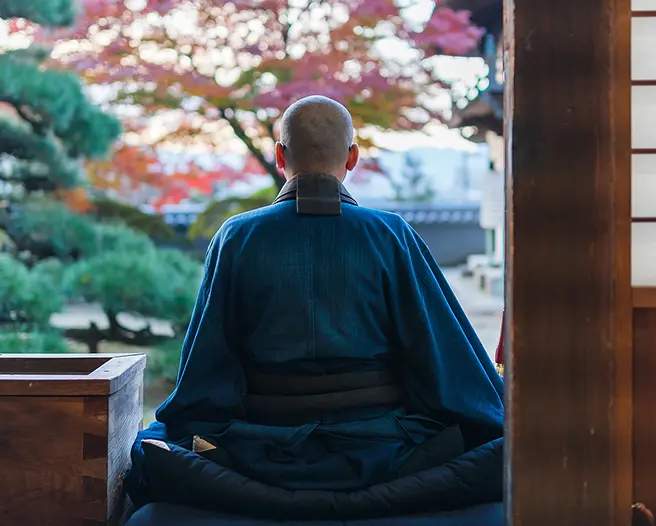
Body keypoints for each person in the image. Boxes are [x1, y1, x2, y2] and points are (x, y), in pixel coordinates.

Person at [123, 96, 504, 524]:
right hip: (385, 450)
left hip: (259, 452)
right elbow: (444, 360)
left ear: (280, 155)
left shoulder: (237, 237)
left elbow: (205, 375)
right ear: (353, 158)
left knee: (151, 450)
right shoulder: (391, 234)